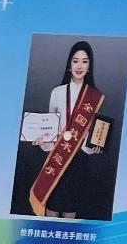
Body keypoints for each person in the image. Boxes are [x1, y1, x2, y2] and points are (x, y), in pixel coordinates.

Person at [29, 41, 105, 218]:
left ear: (90, 66)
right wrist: (42, 140)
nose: (79, 66)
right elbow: (49, 125)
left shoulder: (94, 96)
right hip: (57, 157)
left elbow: (93, 131)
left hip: (78, 159)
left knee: (71, 212)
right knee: (51, 210)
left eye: (84, 61)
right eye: (75, 61)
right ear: (69, 64)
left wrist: (94, 145)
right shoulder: (57, 92)